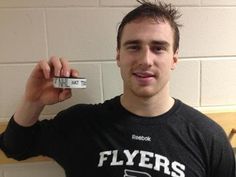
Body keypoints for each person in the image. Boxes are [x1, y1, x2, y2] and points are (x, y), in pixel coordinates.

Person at [0, 0, 235, 177]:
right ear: (118, 56)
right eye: (133, 47)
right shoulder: (81, 123)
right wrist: (33, 100)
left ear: (174, 59)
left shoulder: (208, 137)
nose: (145, 59)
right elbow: (14, 147)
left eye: (158, 48)